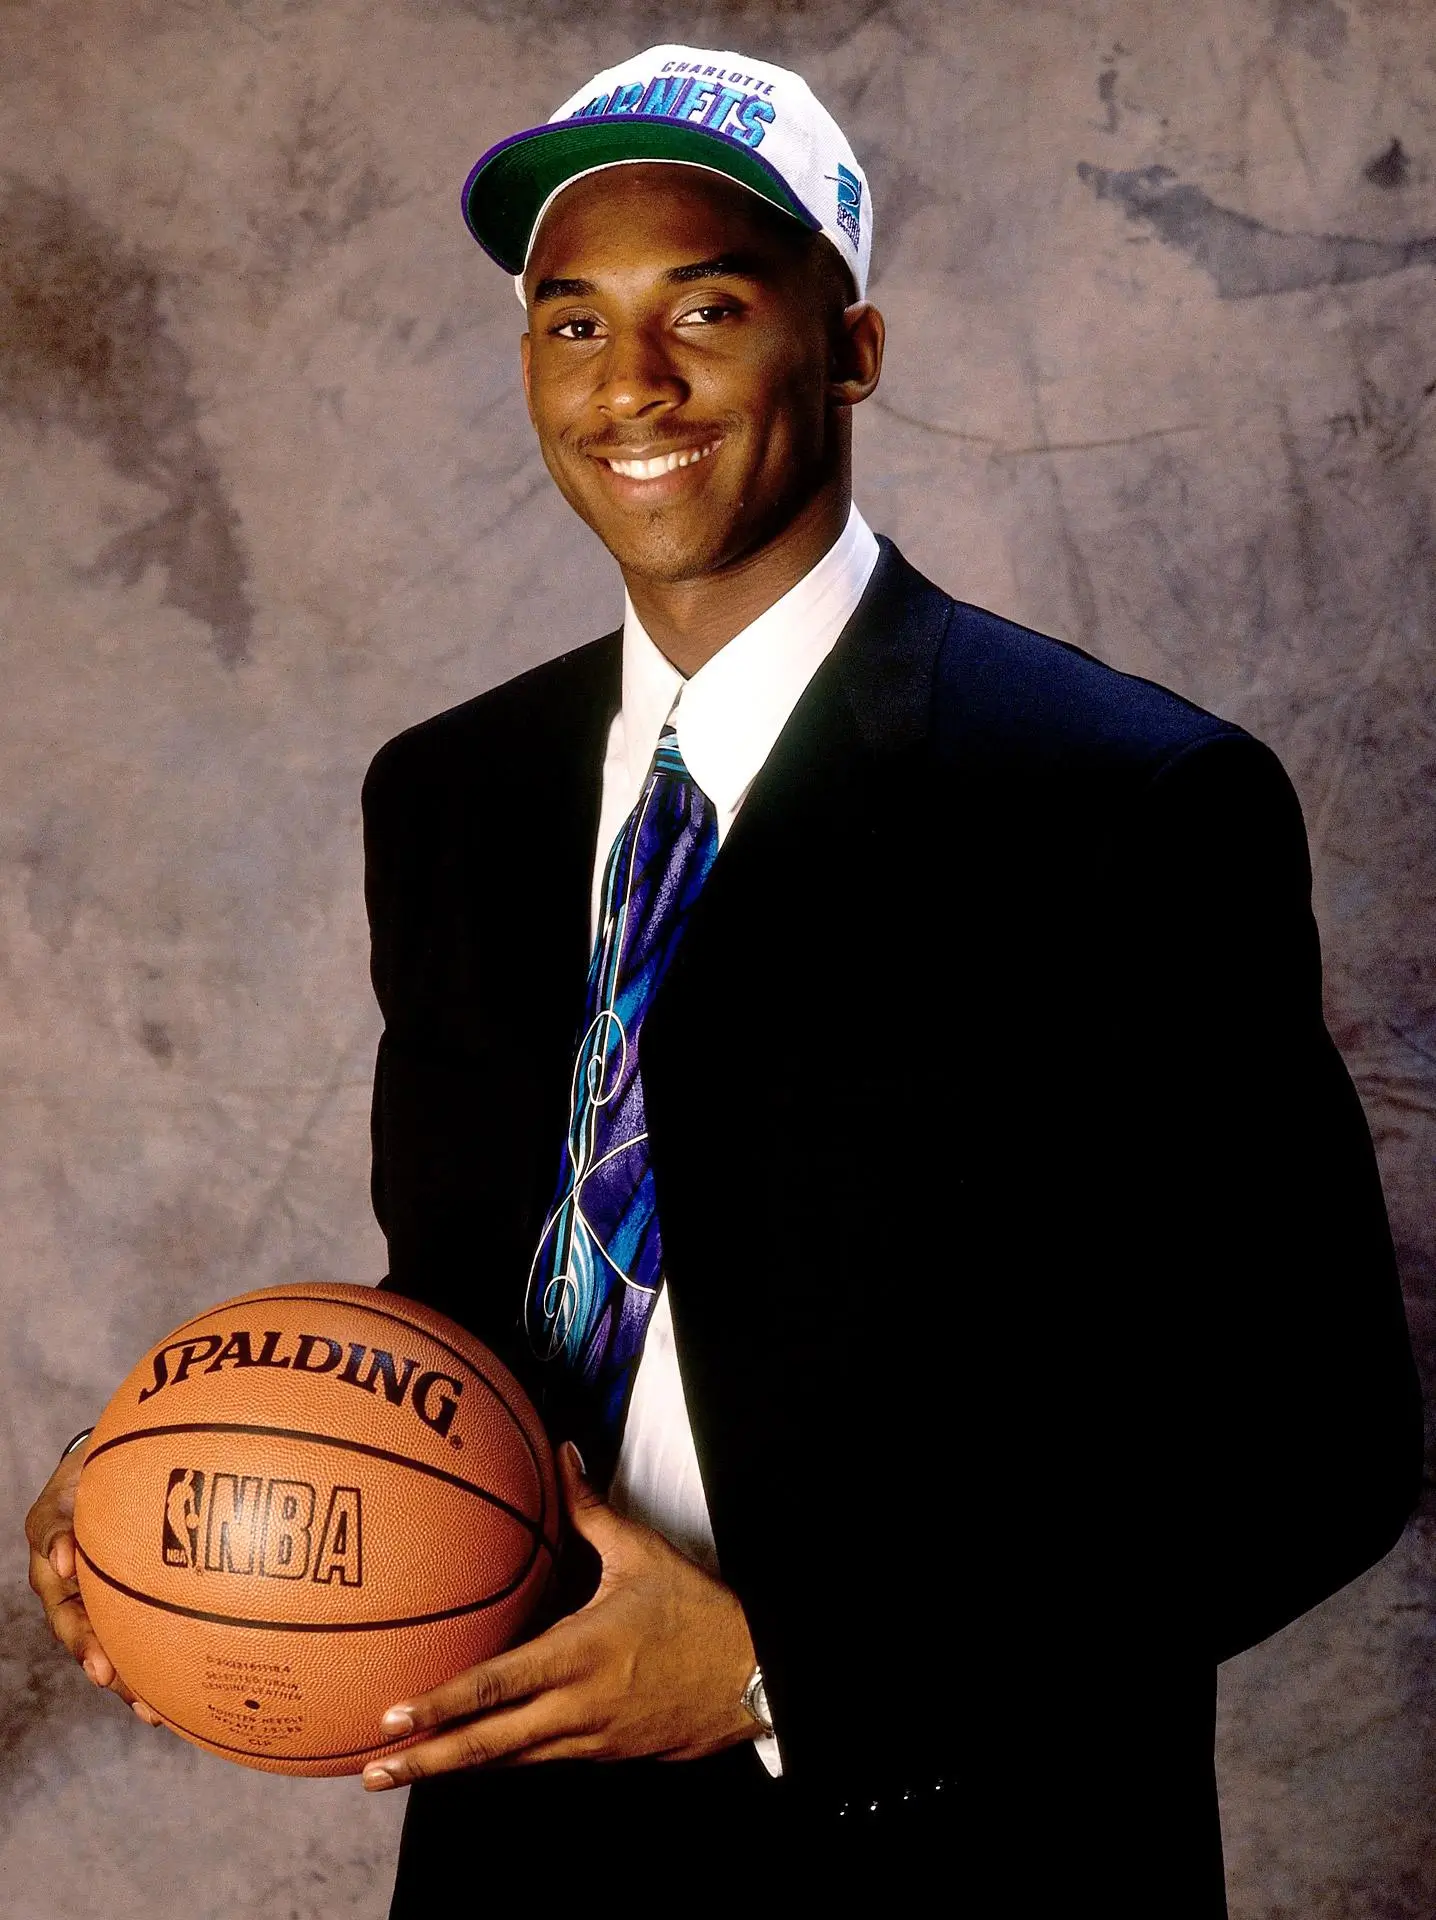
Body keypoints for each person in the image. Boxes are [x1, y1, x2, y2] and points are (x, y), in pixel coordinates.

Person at [27, 43, 1422, 1917]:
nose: (635, 387)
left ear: (849, 349)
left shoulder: (1119, 801)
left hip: (947, 1830)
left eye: (707, 307)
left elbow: (1313, 1445)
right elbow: (477, 1304)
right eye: (571, 323)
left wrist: (787, 1670)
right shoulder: (455, 797)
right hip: (520, 1824)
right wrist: (190, 1498)